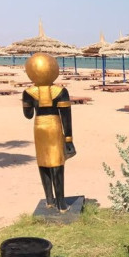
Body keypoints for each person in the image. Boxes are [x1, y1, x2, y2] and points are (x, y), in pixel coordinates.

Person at [22, 53, 77, 212]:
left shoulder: (28, 92)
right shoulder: (60, 91)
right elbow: (66, 117)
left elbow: (28, 115)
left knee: (43, 161)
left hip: (39, 127)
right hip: (54, 126)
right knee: (57, 162)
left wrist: (28, 103)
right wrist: (68, 139)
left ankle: (49, 200)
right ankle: (61, 203)